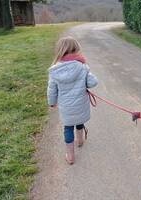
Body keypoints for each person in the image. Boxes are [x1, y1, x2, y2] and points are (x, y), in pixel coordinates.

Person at [47, 36, 98, 165]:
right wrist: (87, 72)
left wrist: (52, 102)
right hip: (80, 103)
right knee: (79, 120)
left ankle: (70, 156)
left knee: (68, 127)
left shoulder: (54, 70)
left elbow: (52, 89)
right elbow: (93, 82)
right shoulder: (82, 66)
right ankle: (80, 140)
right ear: (76, 49)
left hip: (66, 106)